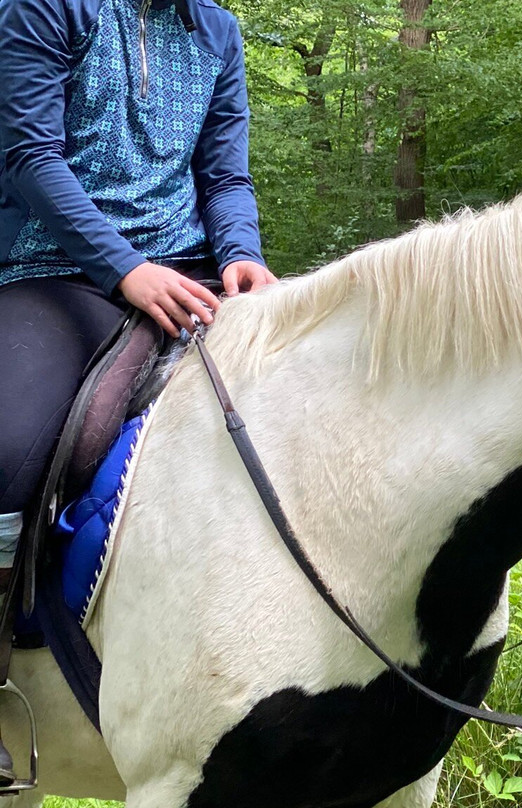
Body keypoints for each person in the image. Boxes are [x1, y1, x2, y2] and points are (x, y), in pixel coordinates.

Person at [0, 0, 275, 782]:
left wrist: (242, 253)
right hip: (53, 269)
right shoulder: (45, 8)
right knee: (8, 445)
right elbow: (30, 156)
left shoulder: (217, 31)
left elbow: (223, 175)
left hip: (191, 281)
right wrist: (124, 267)